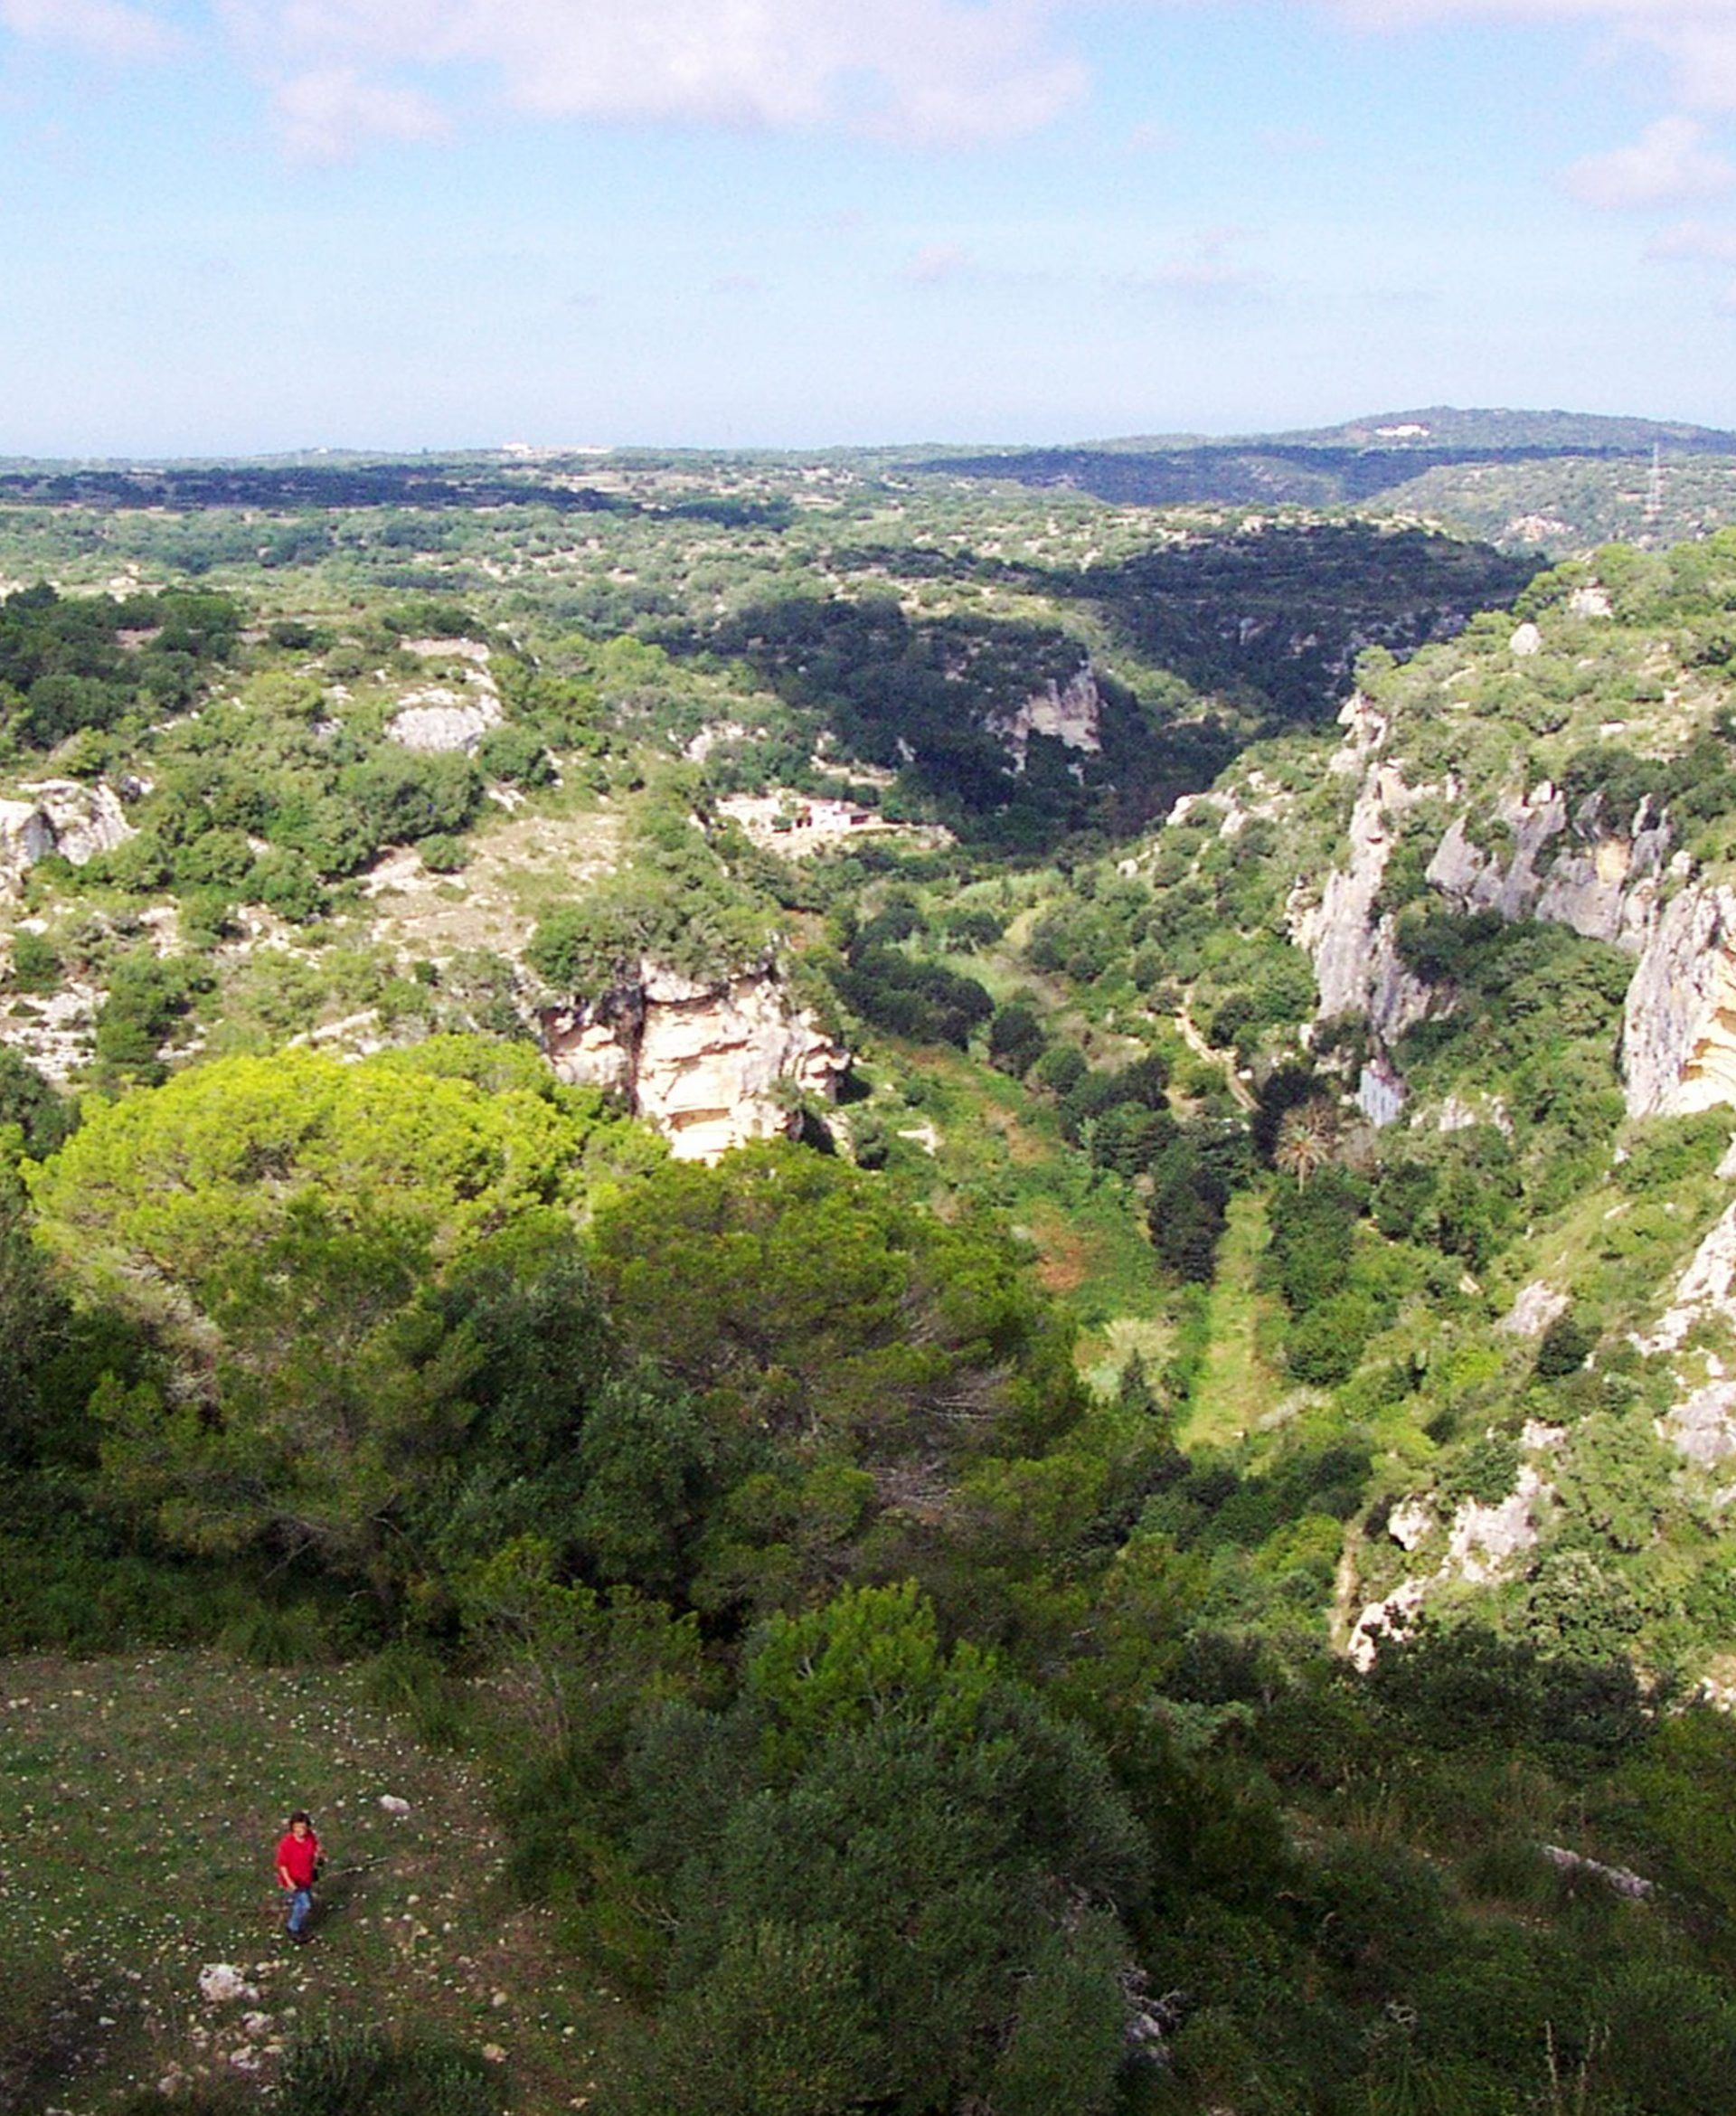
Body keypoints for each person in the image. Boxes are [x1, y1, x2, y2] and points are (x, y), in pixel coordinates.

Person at [275, 1809, 321, 1943]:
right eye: (298, 1827)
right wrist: (289, 1882)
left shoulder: (310, 1837)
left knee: (302, 1903)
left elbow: (315, 1849)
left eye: (304, 1827)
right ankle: (293, 1927)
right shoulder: (287, 1844)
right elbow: (282, 1865)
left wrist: (318, 1858)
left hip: (306, 1878)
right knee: (304, 1905)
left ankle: (296, 1924)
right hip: (294, 1881)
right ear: (293, 1828)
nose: (302, 1830)